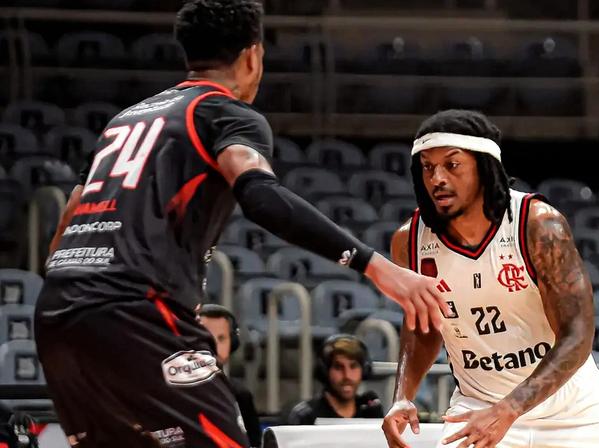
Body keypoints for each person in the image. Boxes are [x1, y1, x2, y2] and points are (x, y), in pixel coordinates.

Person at [33, 1, 449, 446]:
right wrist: (378, 268)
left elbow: (71, 213)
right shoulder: (224, 113)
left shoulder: (123, 121)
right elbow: (261, 196)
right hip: (135, 307)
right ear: (253, 56)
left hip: (57, 312)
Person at [381, 110, 599, 448]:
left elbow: (578, 332)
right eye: (427, 167)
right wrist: (403, 394)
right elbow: (423, 327)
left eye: (452, 165)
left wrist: (511, 408)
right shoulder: (410, 241)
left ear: (484, 167)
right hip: (479, 407)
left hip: (573, 409)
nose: (437, 178)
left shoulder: (538, 225)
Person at [197, 304, 260, 447]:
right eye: (207, 337)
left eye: (221, 338)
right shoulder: (173, 391)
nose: (214, 346)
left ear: (233, 343)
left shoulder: (240, 395)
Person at [287, 334, 383, 424]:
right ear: (324, 371)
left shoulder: (370, 411)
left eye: (353, 366)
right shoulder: (305, 415)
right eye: (338, 367)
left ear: (364, 370)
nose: (347, 376)